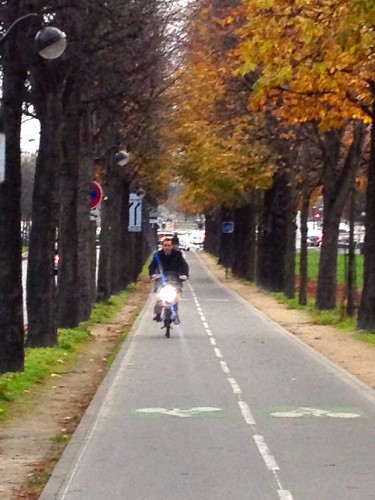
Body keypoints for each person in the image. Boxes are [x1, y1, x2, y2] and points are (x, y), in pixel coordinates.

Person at [149, 238, 189, 323]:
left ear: (172, 246)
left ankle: (175, 314)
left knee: (176, 296)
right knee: (159, 295)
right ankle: (158, 314)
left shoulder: (178, 254)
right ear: (162, 246)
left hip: (175, 278)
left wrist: (184, 275)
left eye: (169, 245)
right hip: (161, 278)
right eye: (165, 245)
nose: (167, 247)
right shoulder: (158, 255)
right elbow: (152, 266)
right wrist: (153, 274)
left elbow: (184, 265)